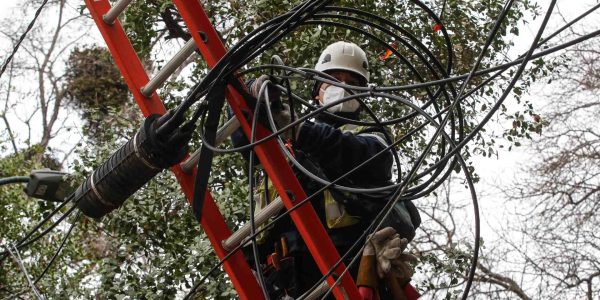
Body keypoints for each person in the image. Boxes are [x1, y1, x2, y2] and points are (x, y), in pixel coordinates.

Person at [233, 41, 421, 299]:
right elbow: (248, 144)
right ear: (316, 92)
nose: (342, 88)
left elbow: (359, 154)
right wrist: (255, 101)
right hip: (284, 276)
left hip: (344, 267)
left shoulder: (372, 137)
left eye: (351, 82)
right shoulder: (286, 138)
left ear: (362, 96)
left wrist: (298, 129)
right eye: (332, 80)